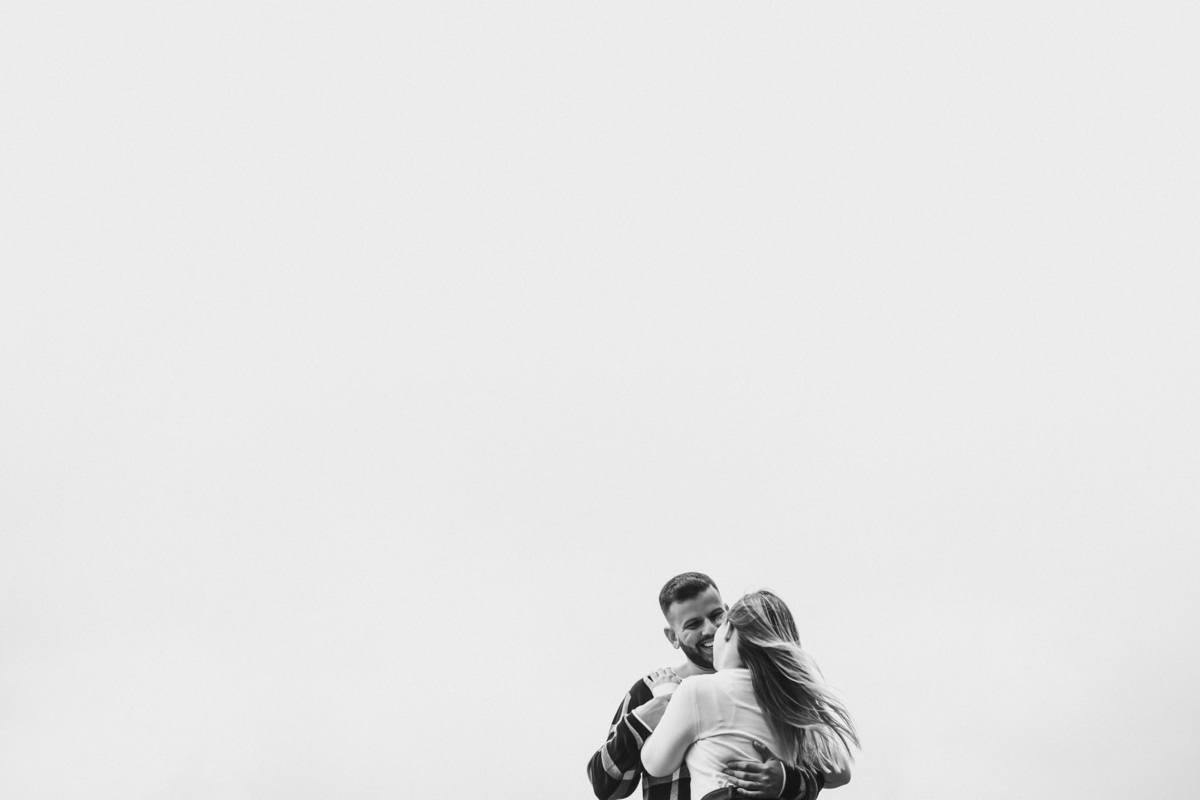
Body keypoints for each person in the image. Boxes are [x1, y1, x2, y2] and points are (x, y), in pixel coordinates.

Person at [587, 573, 826, 800]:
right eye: (693, 624)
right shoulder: (648, 692)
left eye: (716, 616)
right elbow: (607, 788)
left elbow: (826, 769)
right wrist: (640, 722)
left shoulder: (771, 687)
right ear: (673, 637)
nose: (709, 629)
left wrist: (786, 780)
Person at [640, 589, 859, 800]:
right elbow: (841, 772)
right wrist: (785, 780)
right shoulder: (790, 698)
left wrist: (665, 694)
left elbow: (656, 764)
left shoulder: (697, 690)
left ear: (728, 632)